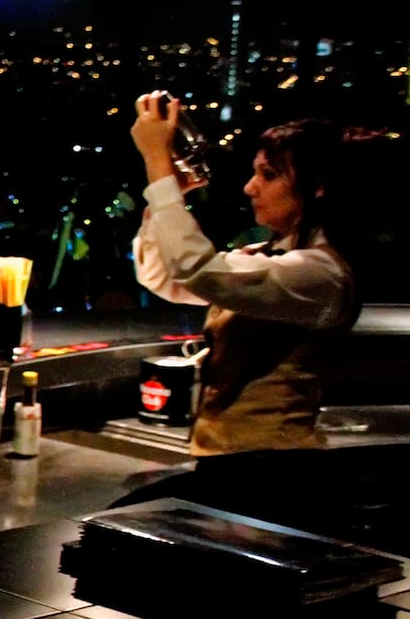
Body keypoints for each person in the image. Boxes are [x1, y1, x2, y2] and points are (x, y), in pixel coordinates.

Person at [130, 92, 371, 458]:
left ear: (317, 188)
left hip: (272, 471)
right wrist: (167, 193)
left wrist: (157, 164)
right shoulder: (268, 256)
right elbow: (165, 278)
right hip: (232, 463)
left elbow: (198, 270)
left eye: (269, 175)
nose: (249, 187)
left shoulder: (321, 275)